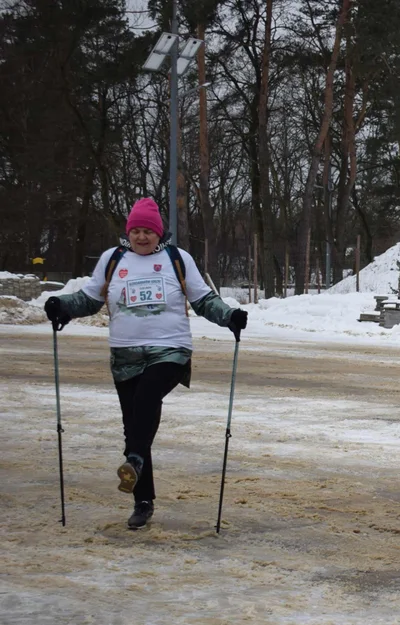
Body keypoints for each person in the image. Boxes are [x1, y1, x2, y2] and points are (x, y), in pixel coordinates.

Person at [44, 198, 248, 529]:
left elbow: (203, 300)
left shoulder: (177, 259)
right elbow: (89, 298)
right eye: (136, 231)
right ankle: (143, 500)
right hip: (124, 354)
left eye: (148, 231)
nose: (141, 237)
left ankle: (134, 459)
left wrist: (230, 316)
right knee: (136, 423)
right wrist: (61, 304)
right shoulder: (114, 259)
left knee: (146, 399)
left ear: (159, 233)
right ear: (128, 233)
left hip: (170, 349)